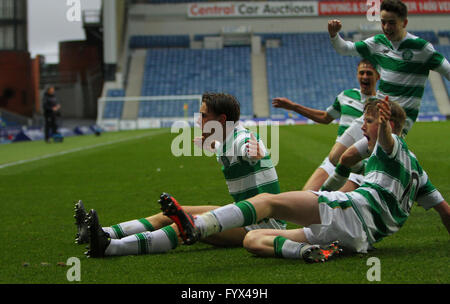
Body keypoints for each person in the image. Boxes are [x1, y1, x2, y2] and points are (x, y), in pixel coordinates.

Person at [157, 98, 450, 263]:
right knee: (253, 239)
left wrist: (383, 127)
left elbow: (386, 141)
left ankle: (199, 226)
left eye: (368, 121)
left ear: (392, 125)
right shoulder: (418, 175)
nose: (363, 126)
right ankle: (310, 252)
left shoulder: (394, 146)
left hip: (349, 213)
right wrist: (342, 171)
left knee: (266, 203)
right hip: (356, 239)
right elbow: (445, 212)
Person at [77, 92, 285, 257]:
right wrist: (213, 144)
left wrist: (255, 153)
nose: (198, 121)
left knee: (185, 225)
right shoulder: (228, 138)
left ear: (221, 119)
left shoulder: (242, 138)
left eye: (204, 116)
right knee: (173, 214)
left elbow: (248, 149)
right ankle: (101, 233)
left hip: (260, 225)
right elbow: (231, 148)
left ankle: (111, 247)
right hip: (245, 214)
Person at [325, 0, 450, 179]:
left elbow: (447, 70)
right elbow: (345, 49)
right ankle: (375, 174)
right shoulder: (378, 42)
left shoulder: (421, 48)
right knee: (335, 157)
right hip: (374, 113)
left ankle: (400, 181)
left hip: (395, 121)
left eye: (391, 22)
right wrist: (334, 35)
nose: (386, 27)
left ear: (404, 23)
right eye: (383, 22)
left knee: (353, 158)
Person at [272, 59, 379, 191]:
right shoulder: (345, 96)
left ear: (377, 76)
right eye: (361, 73)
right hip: (335, 158)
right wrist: (293, 107)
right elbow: (325, 117)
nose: (365, 77)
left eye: (369, 73)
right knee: (307, 195)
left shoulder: (381, 104)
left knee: (335, 205)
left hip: (361, 164)